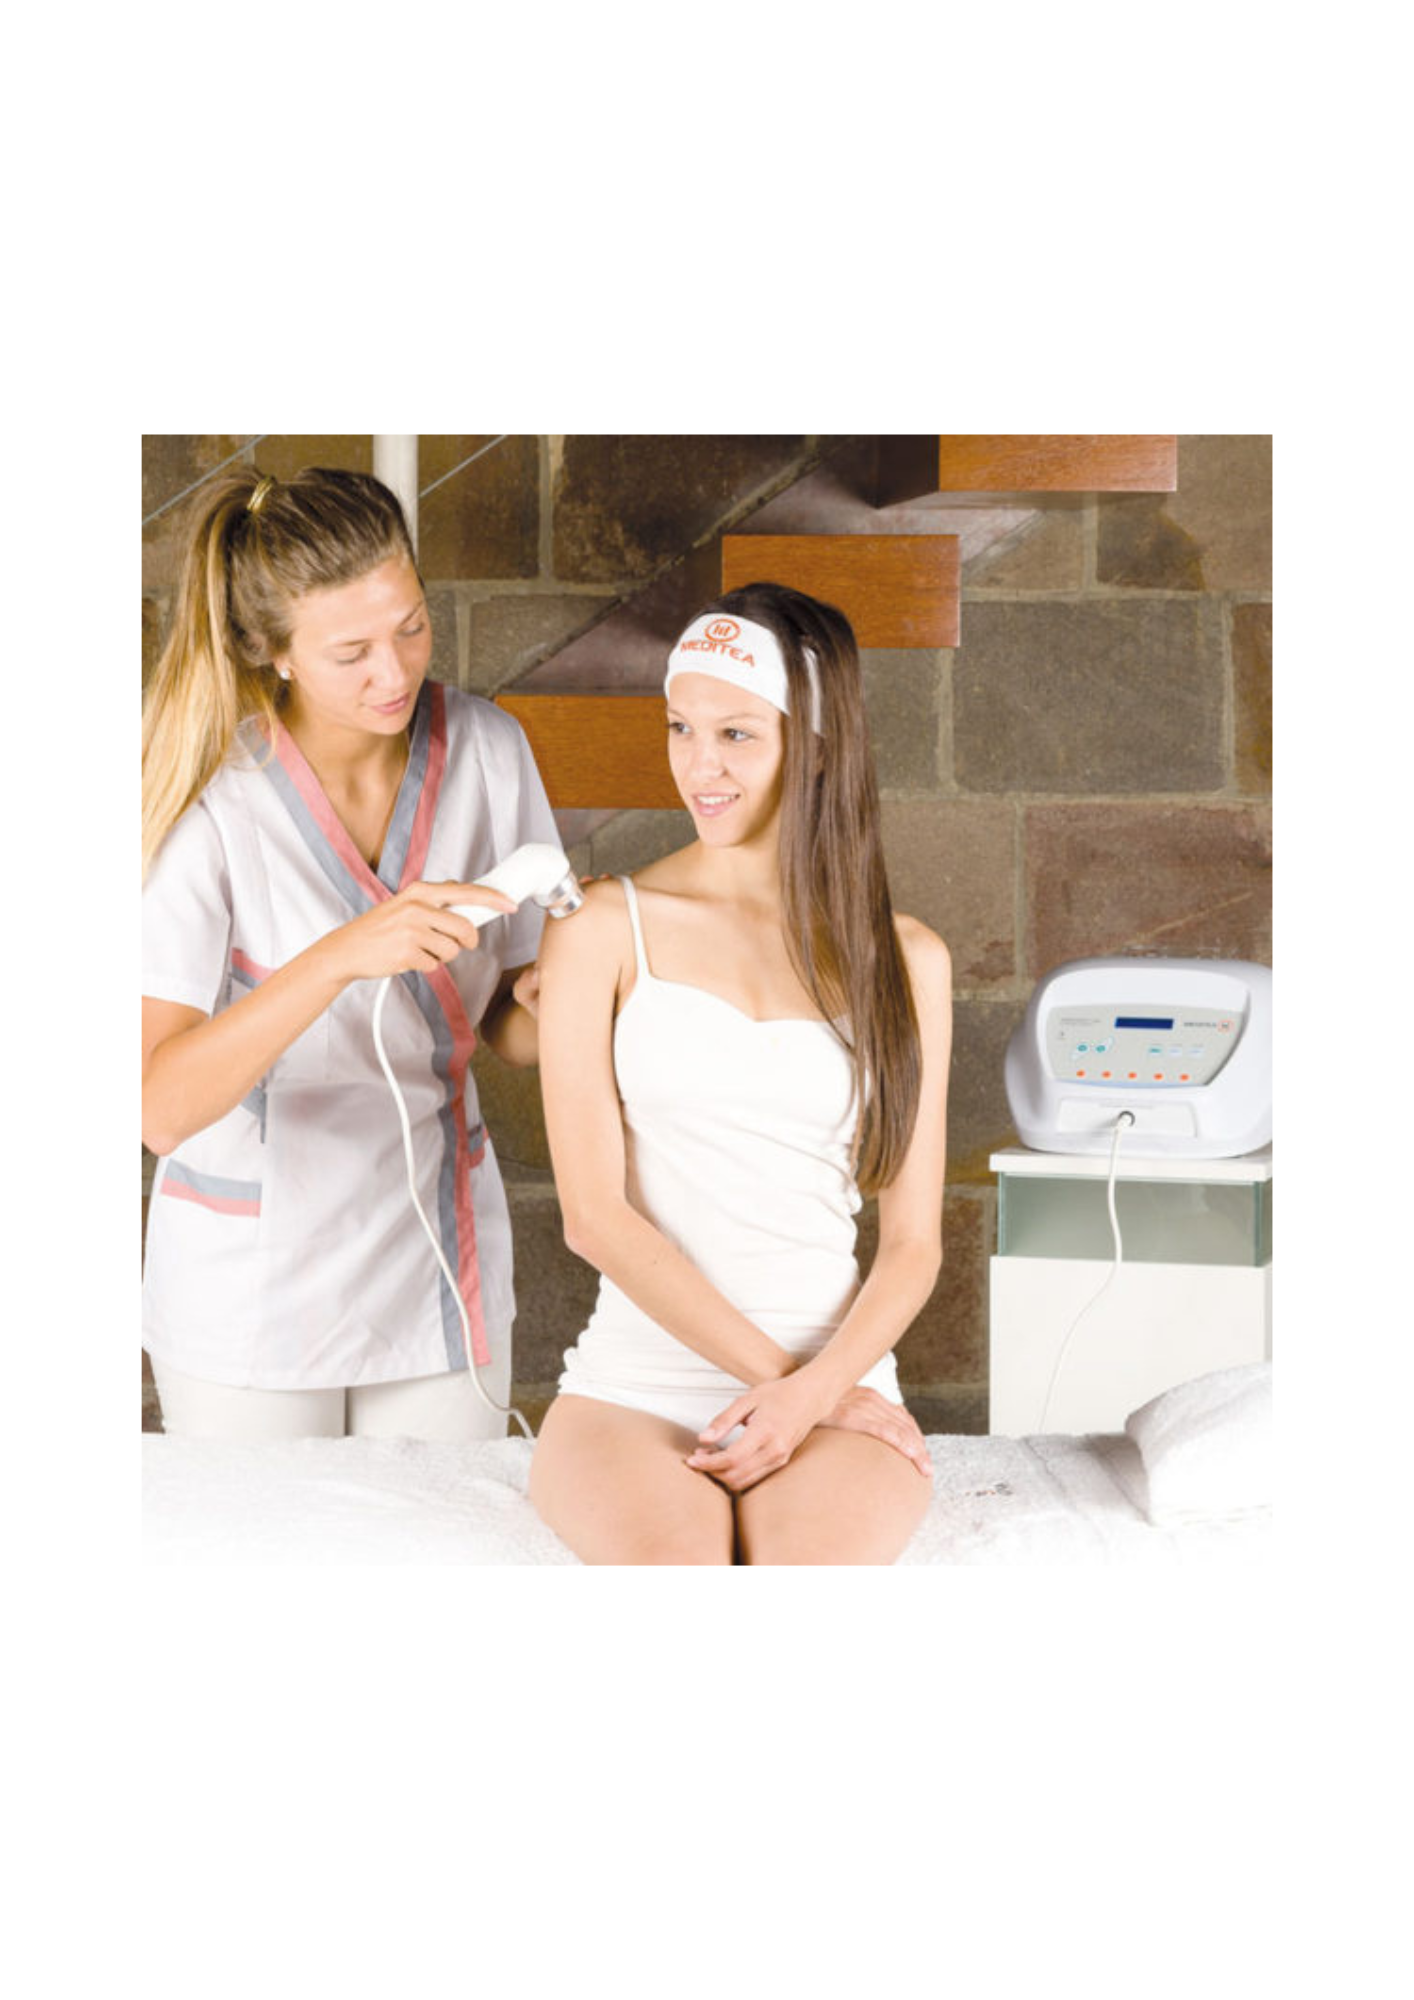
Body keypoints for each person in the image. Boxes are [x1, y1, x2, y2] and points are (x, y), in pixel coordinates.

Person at [528, 582, 952, 1563]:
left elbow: (912, 1244)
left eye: (736, 735)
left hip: (833, 1382)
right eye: (681, 727)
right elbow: (593, 1217)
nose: (699, 766)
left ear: (817, 746)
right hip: (635, 1387)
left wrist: (816, 1394)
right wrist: (794, 1389)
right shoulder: (601, 927)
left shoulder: (906, 959)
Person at [141, 464, 559, 1441]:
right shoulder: (210, 798)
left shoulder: (490, 751)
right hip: (251, 1286)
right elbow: (158, 1107)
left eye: (411, 626)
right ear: (273, 652)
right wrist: (339, 955)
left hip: (434, 1257)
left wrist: (573, 999)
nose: (395, 672)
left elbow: (510, 1026)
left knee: (443, 1527)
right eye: (351, 653)